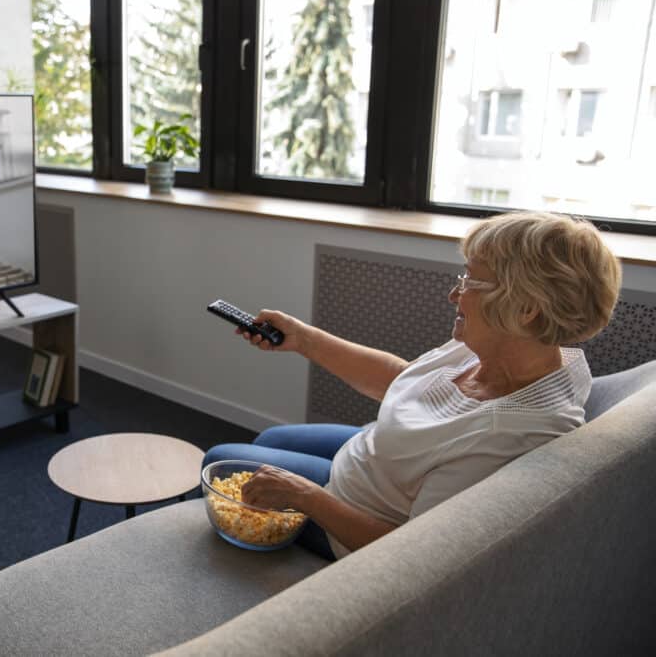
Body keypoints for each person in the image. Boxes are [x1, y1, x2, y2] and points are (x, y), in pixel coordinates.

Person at [204, 211, 622, 561]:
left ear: (527, 309)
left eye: (471, 282)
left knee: (220, 456)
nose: (454, 294)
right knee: (271, 437)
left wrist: (308, 497)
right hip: (376, 455)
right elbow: (402, 379)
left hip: (356, 516)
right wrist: (303, 338)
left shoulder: (514, 434)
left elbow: (416, 554)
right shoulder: (508, 349)